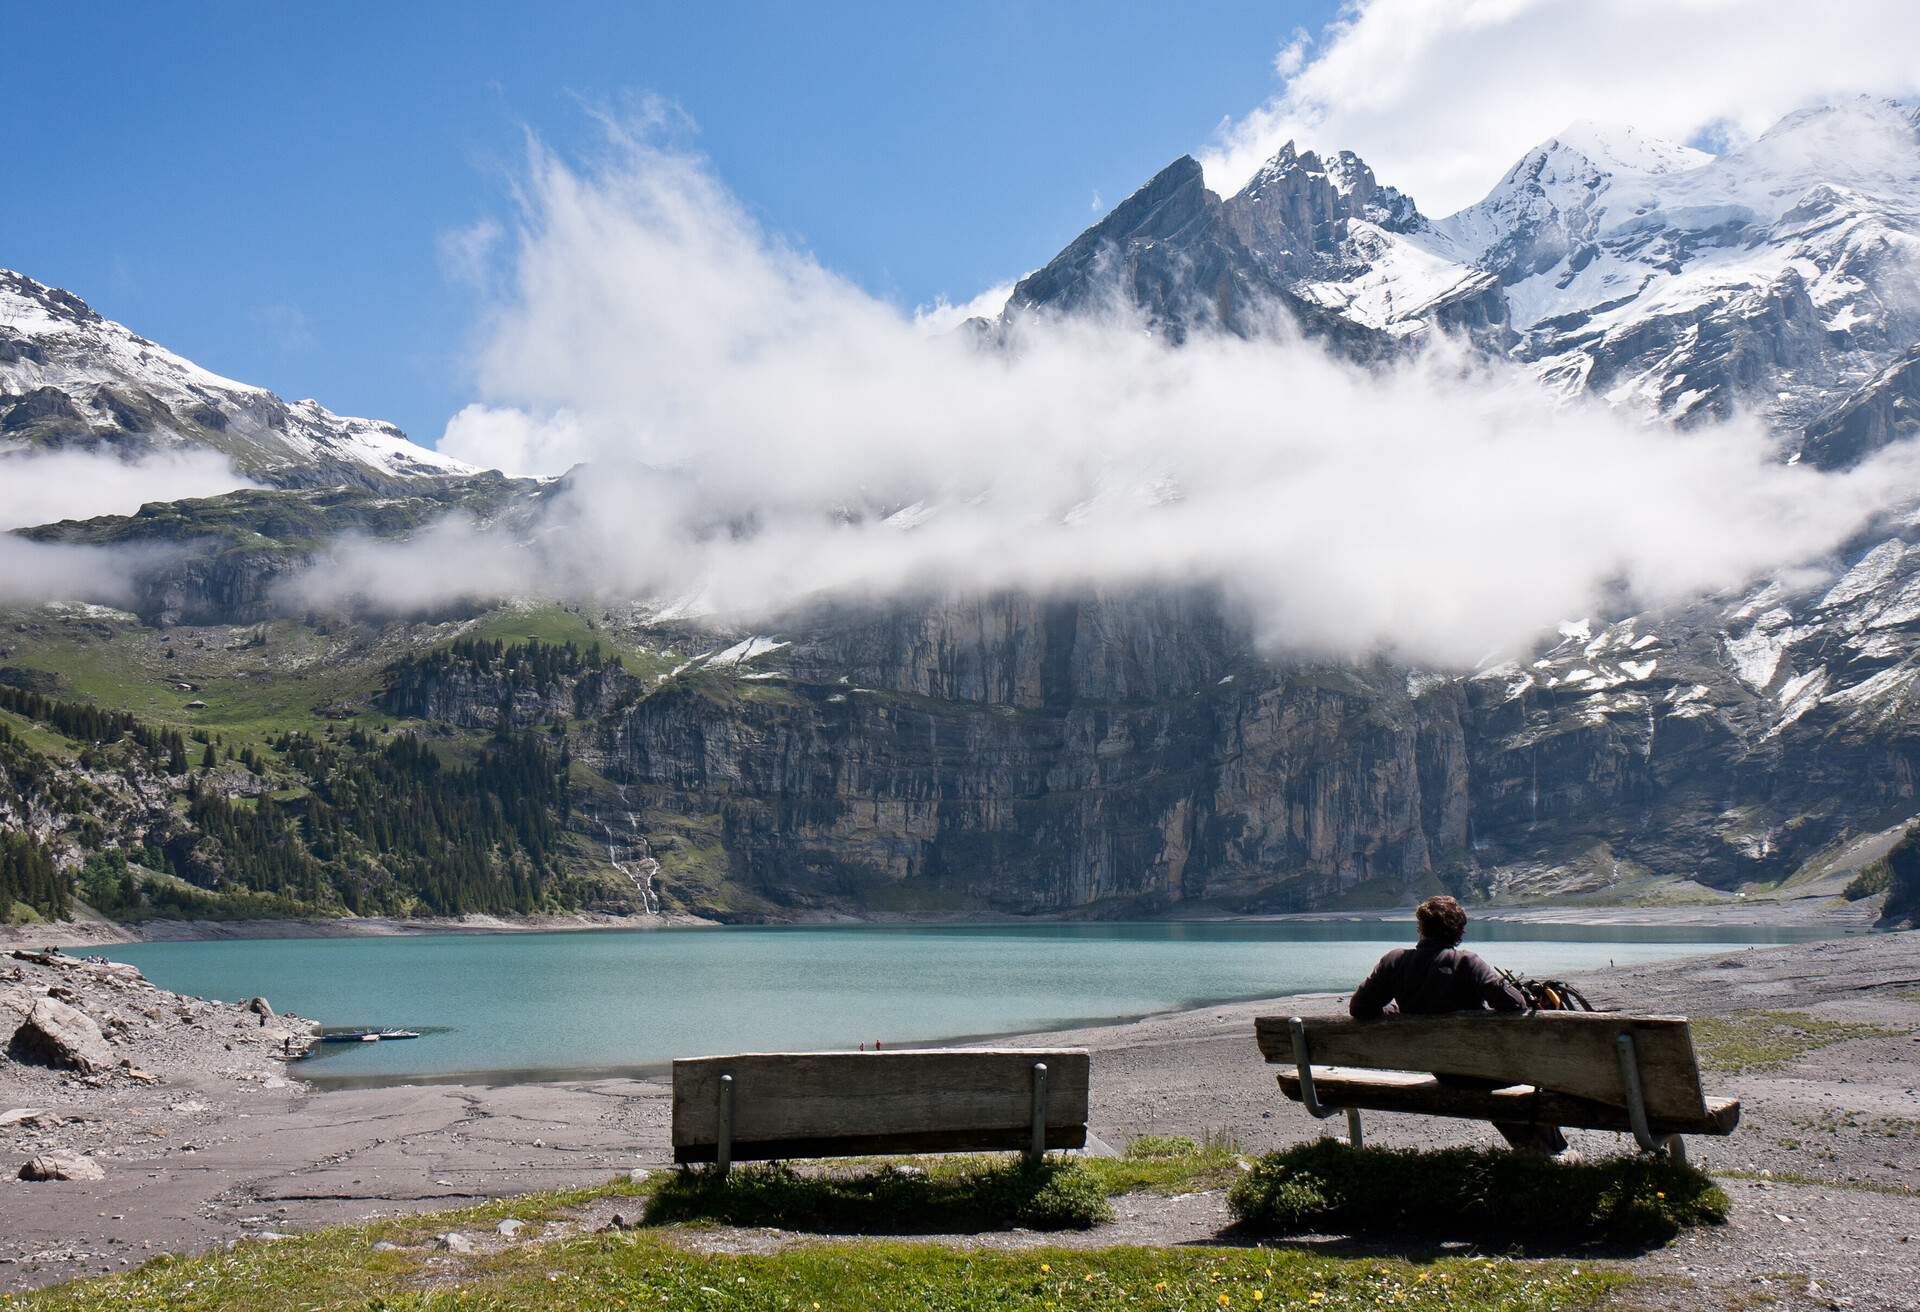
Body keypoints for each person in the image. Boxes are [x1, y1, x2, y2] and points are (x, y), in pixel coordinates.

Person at [1348, 894, 1569, 1154]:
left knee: (1494, 1085)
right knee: (1511, 1083)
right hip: (1480, 1069)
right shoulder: (1467, 962)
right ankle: (1551, 1151)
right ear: (1459, 932)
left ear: (1421, 928)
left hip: (1441, 1069)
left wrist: (1393, 1008)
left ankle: (1540, 1150)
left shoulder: (1395, 961)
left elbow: (1359, 1008)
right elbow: (1516, 1004)